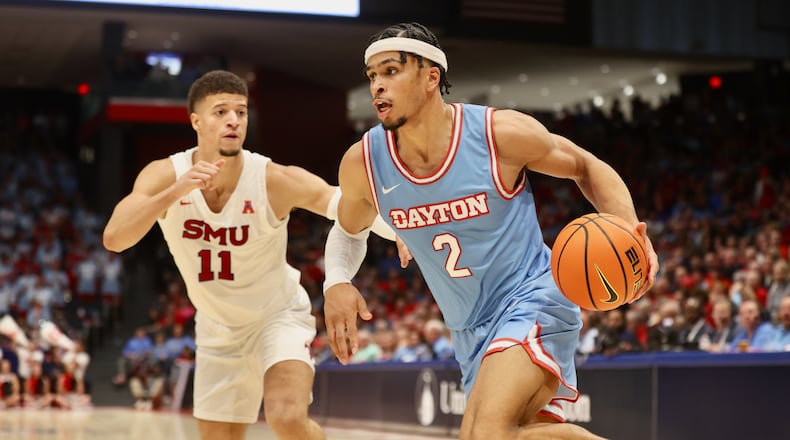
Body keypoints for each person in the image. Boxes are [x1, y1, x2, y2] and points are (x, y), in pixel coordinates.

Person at [322, 22, 658, 439]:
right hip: (467, 328)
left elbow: (586, 166)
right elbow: (348, 229)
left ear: (431, 77)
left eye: (391, 71)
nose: (377, 86)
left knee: (486, 434)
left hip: (532, 298)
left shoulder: (497, 134)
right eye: (372, 75)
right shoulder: (365, 163)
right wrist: (336, 281)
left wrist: (630, 230)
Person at [102, 70, 395, 440]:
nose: (233, 120)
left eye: (240, 112)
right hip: (216, 327)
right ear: (196, 121)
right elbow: (114, 238)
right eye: (221, 111)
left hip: (277, 316)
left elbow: (341, 202)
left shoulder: (271, 178)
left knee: (286, 417)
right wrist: (174, 192)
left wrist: (401, 229)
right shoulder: (166, 175)